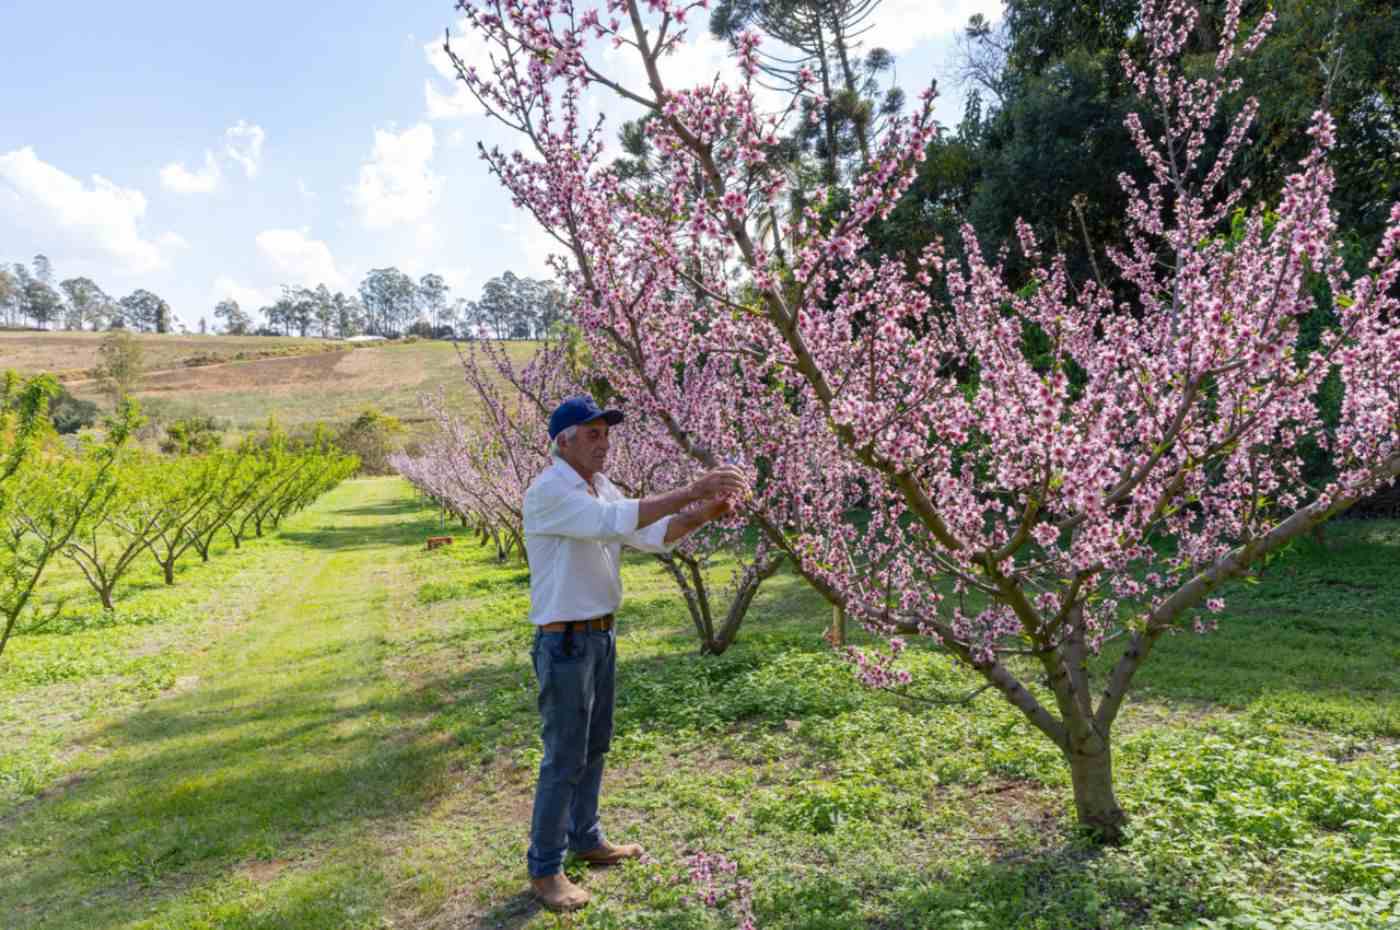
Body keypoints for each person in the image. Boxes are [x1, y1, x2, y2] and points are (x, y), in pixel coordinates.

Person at [522, 395, 745, 912]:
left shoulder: (599, 488)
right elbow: (612, 521)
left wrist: (704, 512)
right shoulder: (549, 491)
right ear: (564, 441)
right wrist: (692, 487)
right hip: (565, 641)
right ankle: (545, 869)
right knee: (563, 757)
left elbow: (649, 534)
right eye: (592, 434)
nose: (604, 443)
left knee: (594, 746)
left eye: (607, 433)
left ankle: (585, 837)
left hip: (598, 636)